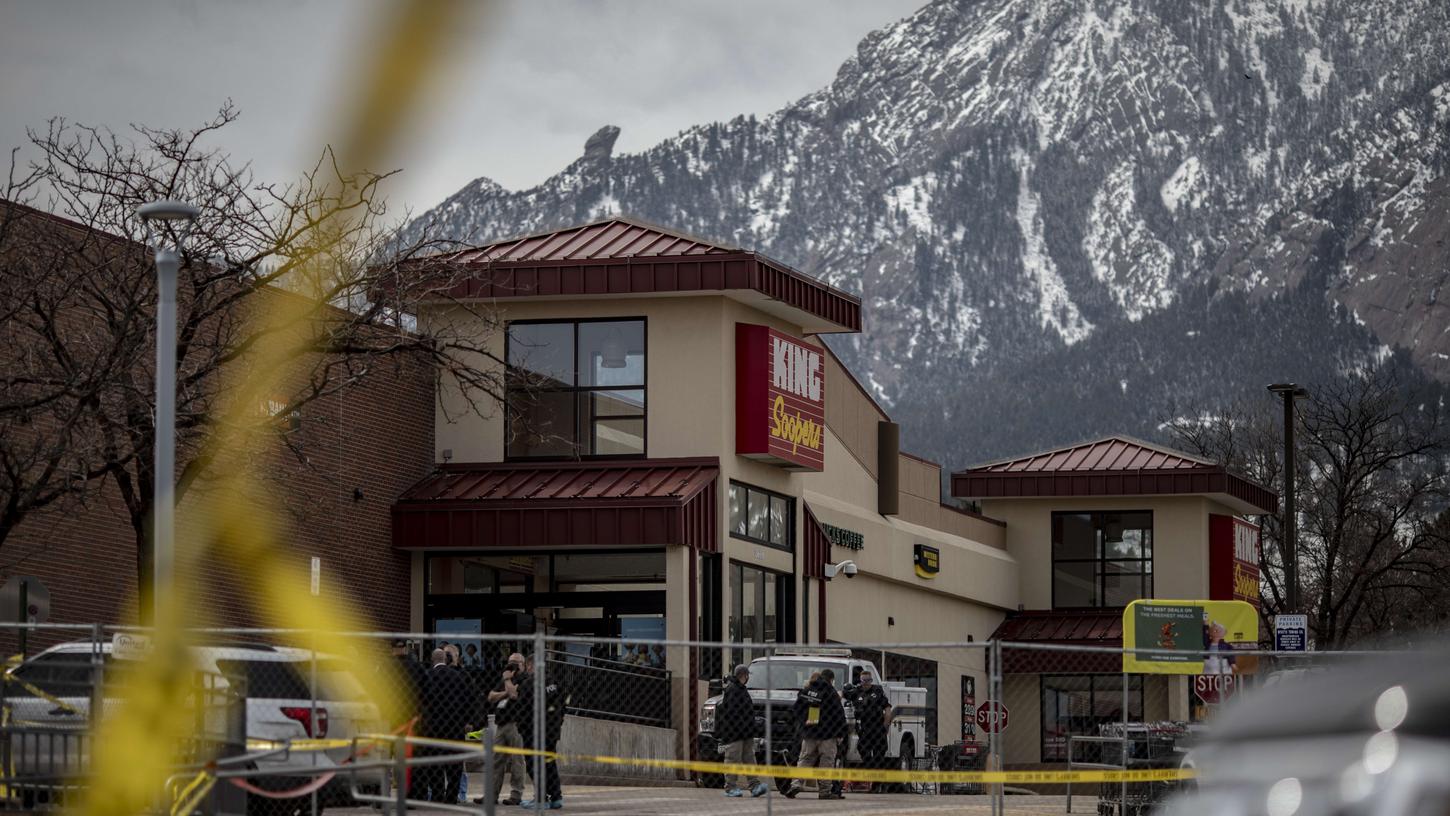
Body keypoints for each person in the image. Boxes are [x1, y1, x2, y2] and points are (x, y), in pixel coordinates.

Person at [418, 648, 478, 803]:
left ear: (432, 659)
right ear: (446, 659)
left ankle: (437, 794)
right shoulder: (458, 677)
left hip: (433, 728)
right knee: (455, 765)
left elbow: (421, 701)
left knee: (434, 763)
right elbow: (469, 699)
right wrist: (467, 721)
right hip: (454, 727)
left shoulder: (427, 676)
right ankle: (451, 796)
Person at [474, 651, 530, 807]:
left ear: (523, 665)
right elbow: (491, 696)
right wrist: (507, 688)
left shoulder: (525, 679)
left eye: (516, 662)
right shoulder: (505, 679)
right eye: (510, 661)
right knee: (496, 761)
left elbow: (514, 695)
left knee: (517, 761)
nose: (512, 664)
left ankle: (516, 795)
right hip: (501, 723)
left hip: (517, 724)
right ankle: (491, 795)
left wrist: (507, 682)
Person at [783, 668, 847, 800]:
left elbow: (796, 710)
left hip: (809, 732)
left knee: (805, 760)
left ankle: (796, 784)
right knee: (826, 762)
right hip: (827, 734)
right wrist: (841, 733)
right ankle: (824, 791)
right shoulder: (831, 692)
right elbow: (839, 714)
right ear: (831, 679)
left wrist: (803, 725)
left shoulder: (807, 690)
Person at [516, 651, 567, 810]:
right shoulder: (555, 682)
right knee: (549, 763)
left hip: (533, 732)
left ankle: (541, 797)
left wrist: (522, 728)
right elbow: (563, 706)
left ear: (531, 665)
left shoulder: (528, 684)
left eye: (527, 666)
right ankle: (556, 797)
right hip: (551, 731)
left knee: (533, 764)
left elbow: (522, 709)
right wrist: (557, 724)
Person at [715, 664, 768, 798]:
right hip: (735, 733)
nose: (748, 678)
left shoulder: (741, 689)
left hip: (745, 733)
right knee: (732, 759)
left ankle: (754, 785)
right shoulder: (733, 690)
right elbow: (733, 713)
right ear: (743, 675)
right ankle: (730, 787)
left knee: (750, 759)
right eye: (747, 675)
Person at [844, 670, 893, 792]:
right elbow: (842, 694)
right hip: (864, 729)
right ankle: (872, 773)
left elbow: (887, 708)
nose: (866, 683)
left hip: (877, 728)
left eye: (868, 680)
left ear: (871, 681)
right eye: (863, 681)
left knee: (879, 757)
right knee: (863, 751)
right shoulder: (856, 692)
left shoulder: (877, 691)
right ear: (860, 681)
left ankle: (877, 785)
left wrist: (886, 726)